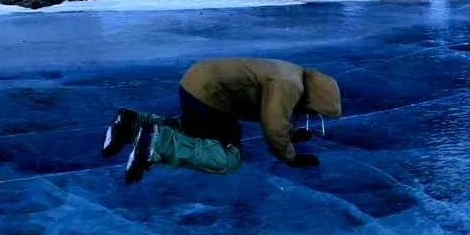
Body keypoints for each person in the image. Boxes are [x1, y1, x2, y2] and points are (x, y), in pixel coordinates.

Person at [101, 57, 343, 184]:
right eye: (316, 112)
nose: (313, 116)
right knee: (228, 157)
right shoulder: (289, 85)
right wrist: (290, 157)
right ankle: (159, 143)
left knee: (196, 130)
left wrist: (289, 133)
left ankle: (134, 122)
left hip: (197, 82)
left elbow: (273, 113)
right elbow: (272, 124)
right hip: (209, 93)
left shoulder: (293, 73)